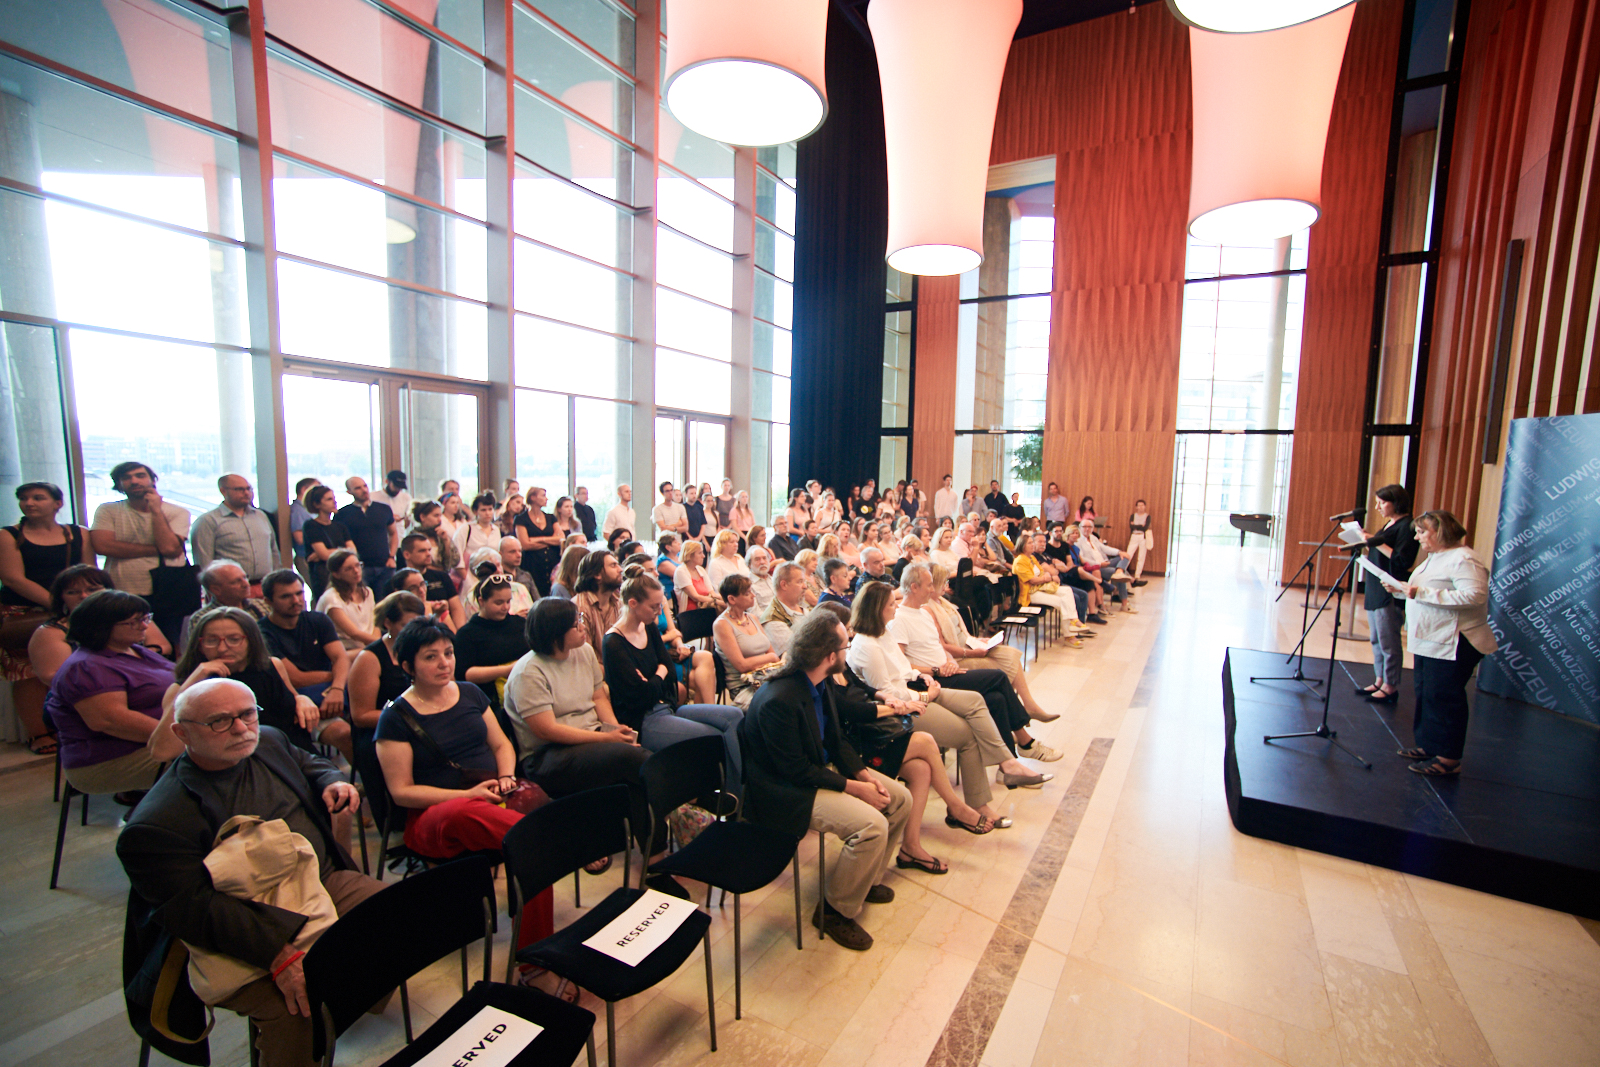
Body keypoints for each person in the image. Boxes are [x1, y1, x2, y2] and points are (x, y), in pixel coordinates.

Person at [118, 677, 383, 1067]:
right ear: (182, 733)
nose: (241, 728)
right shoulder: (157, 822)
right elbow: (196, 910)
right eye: (220, 721)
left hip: (320, 880)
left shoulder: (269, 740)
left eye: (247, 714)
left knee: (393, 916)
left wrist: (331, 781)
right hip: (246, 920)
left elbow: (310, 762)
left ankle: (352, 1001)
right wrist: (279, 954)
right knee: (297, 1007)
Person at [374, 619, 554, 960]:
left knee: (532, 844)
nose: (445, 663)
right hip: (434, 817)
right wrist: (466, 796)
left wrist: (506, 776)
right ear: (408, 666)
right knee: (481, 818)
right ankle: (553, 841)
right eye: (431, 657)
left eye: (448, 653)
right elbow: (402, 792)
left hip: (490, 796)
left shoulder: (469, 692)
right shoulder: (395, 717)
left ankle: (534, 955)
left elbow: (501, 745)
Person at [738, 610, 910, 950]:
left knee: (901, 799)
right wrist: (855, 788)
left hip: (815, 769)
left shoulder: (820, 681)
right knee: (872, 825)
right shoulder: (779, 700)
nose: (849, 651)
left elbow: (835, 740)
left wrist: (862, 774)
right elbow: (795, 771)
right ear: (830, 656)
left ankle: (863, 880)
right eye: (845, 646)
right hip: (785, 791)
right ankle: (833, 912)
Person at [813, 600, 990, 875]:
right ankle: (955, 807)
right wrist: (899, 706)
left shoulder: (841, 662)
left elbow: (864, 687)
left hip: (870, 730)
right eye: (845, 632)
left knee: (921, 770)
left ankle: (910, 847)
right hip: (855, 745)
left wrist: (885, 698)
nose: (850, 635)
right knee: (926, 741)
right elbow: (851, 711)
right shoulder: (823, 675)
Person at [505, 598, 659, 854]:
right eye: (575, 622)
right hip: (546, 755)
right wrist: (607, 740)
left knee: (633, 778)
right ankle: (682, 798)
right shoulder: (528, 672)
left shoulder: (584, 651)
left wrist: (615, 731)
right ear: (555, 632)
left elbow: (598, 697)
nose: (582, 626)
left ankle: (655, 856)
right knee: (633, 761)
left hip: (590, 738)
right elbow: (547, 730)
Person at [893, 565, 1060, 764]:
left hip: (947, 670)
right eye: (929, 585)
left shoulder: (923, 613)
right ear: (914, 587)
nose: (932, 589)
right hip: (932, 680)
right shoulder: (899, 619)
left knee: (996, 699)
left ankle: (1010, 764)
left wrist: (949, 661)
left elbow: (939, 647)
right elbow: (901, 665)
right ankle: (1026, 744)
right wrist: (937, 669)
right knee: (998, 677)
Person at [603, 573, 745, 788]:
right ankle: (729, 791)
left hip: (667, 706)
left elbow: (668, 671)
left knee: (734, 716)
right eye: (654, 607)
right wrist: (659, 674)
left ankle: (736, 790)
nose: (659, 612)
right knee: (715, 736)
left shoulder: (648, 626)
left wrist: (654, 677)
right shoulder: (613, 643)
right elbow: (640, 696)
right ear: (633, 604)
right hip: (644, 719)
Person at [1384, 511, 1497, 777]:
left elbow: (1475, 596)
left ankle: (1448, 758)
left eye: (1422, 532)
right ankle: (1430, 745)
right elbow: (1425, 592)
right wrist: (1403, 589)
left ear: (1441, 531)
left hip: (1455, 640)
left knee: (1445, 697)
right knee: (1427, 693)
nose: (1417, 537)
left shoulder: (1464, 559)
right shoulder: (1435, 558)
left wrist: (1419, 592)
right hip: (1432, 639)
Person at [41, 588, 172, 797]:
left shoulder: (136, 650)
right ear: (101, 626)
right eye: (134, 622)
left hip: (152, 741)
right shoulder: (86, 666)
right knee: (217, 759)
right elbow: (111, 721)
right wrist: (184, 736)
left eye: (145, 618)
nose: (145, 626)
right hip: (109, 759)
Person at [156, 606, 322, 757]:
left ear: (251, 641)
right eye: (211, 641)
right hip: (244, 765)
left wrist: (301, 698)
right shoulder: (184, 687)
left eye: (234, 639)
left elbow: (292, 697)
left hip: (296, 754)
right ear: (199, 646)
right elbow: (163, 752)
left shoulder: (272, 666)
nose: (222, 648)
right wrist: (194, 680)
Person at [2, 481, 93, 753]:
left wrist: (75, 604)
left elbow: (88, 572)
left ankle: (73, 726)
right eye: (24, 498)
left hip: (72, 609)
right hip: (24, 612)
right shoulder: (8, 535)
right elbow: (13, 579)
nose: (29, 503)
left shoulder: (78, 533)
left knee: (76, 665)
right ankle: (38, 733)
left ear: (57, 504)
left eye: (38, 498)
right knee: (27, 672)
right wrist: (57, 605)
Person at [91, 461, 192, 644]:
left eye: (140, 476)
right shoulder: (108, 510)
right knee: (126, 643)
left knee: (169, 644)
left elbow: (170, 548)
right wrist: (156, 550)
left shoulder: (177, 512)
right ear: (119, 484)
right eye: (126, 478)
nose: (134, 481)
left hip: (167, 590)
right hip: (123, 590)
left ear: (153, 480)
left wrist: (156, 511)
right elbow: (103, 546)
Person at [258, 570, 352, 759]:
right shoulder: (262, 633)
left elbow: (341, 658)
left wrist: (336, 689)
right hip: (299, 702)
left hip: (333, 692)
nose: (296, 600)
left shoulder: (318, 620)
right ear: (268, 601)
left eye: (299, 593)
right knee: (344, 733)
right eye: (286, 596)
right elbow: (296, 678)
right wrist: (335, 677)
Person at [1359, 485, 1419, 705]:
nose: (1378, 507)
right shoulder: (1389, 524)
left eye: (1382, 503)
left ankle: (1390, 685)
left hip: (1390, 589)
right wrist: (1368, 542)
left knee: (1389, 641)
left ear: (1396, 502)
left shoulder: (1407, 526)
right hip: (1376, 586)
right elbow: (1380, 552)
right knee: (1376, 638)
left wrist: (1376, 541)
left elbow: (1402, 560)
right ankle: (1379, 679)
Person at [453, 573, 531, 711]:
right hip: (490, 703)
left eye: (508, 601)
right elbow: (465, 674)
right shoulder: (467, 634)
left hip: (528, 693)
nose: (505, 607)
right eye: (498, 603)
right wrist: (507, 670)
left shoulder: (520, 624)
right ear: (481, 601)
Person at [190, 473, 279, 587]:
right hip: (231, 588)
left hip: (264, 585)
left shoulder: (260, 516)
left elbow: (273, 551)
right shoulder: (208, 521)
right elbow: (204, 563)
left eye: (248, 489)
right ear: (223, 491)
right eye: (239, 489)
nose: (246, 493)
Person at [713, 575, 781, 709]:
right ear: (732, 599)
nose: (753, 596)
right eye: (747, 593)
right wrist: (771, 658)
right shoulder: (722, 625)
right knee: (781, 703)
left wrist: (772, 658)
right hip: (744, 686)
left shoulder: (752, 618)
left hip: (765, 677)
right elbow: (742, 665)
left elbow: (772, 654)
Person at [336, 477, 398, 596]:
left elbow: (393, 533)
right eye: (358, 488)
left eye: (365, 486)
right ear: (349, 492)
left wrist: (392, 556)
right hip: (359, 566)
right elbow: (340, 540)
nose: (364, 490)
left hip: (383, 564)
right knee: (361, 597)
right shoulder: (343, 514)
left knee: (384, 599)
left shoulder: (383, 509)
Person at [314, 549, 379, 652]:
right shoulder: (331, 598)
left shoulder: (368, 592)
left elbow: (375, 624)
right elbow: (353, 633)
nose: (356, 571)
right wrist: (380, 645)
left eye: (358, 565)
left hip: (366, 647)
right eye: (348, 569)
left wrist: (377, 643)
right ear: (336, 574)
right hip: (343, 651)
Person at [399, 533, 465, 631]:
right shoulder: (398, 580)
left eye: (429, 550)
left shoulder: (442, 577)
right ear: (407, 555)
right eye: (422, 551)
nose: (428, 554)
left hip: (445, 627)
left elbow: (456, 608)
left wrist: (460, 633)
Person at [300, 486, 355, 603]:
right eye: (329, 499)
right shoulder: (311, 526)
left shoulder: (340, 526)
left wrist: (327, 552)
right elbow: (324, 555)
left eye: (334, 498)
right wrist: (342, 550)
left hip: (344, 575)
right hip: (323, 576)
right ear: (316, 504)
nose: (334, 502)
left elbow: (352, 551)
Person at [573, 549, 623, 656]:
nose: (620, 569)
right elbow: (585, 657)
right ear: (597, 574)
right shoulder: (580, 607)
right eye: (613, 566)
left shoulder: (618, 603)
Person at [513, 488, 562, 598]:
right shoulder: (521, 519)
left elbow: (560, 538)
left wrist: (538, 539)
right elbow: (525, 545)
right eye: (543, 495)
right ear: (533, 497)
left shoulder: (550, 517)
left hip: (552, 561)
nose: (546, 498)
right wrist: (551, 540)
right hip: (533, 564)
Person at [404, 500, 462, 588]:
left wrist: (446, 541)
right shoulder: (413, 538)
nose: (439, 520)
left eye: (440, 516)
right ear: (422, 517)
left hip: (442, 580)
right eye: (435, 516)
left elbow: (454, 561)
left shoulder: (441, 536)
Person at [761, 561, 810, 656]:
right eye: (800, 581)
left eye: (804, 581)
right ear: (784, 585)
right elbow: (796, 654)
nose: (805, 586)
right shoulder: (773, 619)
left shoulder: (802, 606)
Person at [454, 492, 504, 567]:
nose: (487, 513)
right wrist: (463, 571)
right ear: (475, 512)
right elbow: (457, 553)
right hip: (470, 570)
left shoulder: (496, 530)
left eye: (490, 509)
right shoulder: (466, 529)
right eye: (483, 510)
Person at [675, 539, 720, 614]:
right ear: (690, 555)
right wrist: (716, 601)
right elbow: (695, 597)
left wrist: (724, 599)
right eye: (700, 553)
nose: (703, 556)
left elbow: (712, 593)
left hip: (705, 609)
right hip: (690, 613)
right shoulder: (681, 571)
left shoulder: (700, 569)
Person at [287, 477, 320, 580]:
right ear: (303, 490)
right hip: (306, 556)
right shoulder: (298, 510)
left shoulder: (308, 509)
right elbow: (299, 538)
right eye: (316, 489)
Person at [371, 470, 412, 540]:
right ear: (387, 481)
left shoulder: (406, 497)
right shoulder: (372, 497)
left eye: (400, 488)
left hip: (399, 538)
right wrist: (388, 517)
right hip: (379, 538)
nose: (398, 490)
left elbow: (408, 520)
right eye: (395, 486)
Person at [497, 536, 537, 602]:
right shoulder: (497, 578)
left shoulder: (526, 576)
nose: (519, 555)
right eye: (512, 552)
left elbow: (537, 601)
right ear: (500, 554)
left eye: (520, 551)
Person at [1125, 499, 1154, 586]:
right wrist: (1140, 525)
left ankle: (1137, 575)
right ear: (1136, 507)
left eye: (1142, 505)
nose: (1140, 507)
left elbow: (1145, 527)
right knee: (1128, 554)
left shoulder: (1147, 516)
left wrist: (1136, 526)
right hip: (1134, 536)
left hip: (1142, 537)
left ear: (1145, 506)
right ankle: (1122, 570)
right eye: (1139, 505)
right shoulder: (1133, 516)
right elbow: (1131, 526)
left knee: (1141, 556)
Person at [746, 545, 776, 615]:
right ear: (749, 564)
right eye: (757, 559)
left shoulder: (774, 580)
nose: (762, 562)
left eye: (764, 558)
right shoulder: (747, 585)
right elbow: (755, 613)